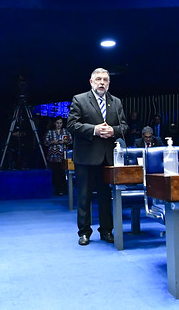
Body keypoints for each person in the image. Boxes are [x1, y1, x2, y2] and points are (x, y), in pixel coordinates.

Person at [67, 68, 128, 246]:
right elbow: (72, 125)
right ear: (91, 82)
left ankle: (106, 231)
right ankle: (84, 232)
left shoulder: (116, 102)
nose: (102, 82)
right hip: (85, 157)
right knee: (84, 197)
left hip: (107, 158)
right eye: (98, 79)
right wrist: (95, 129)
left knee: (105, 197)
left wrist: (113, 131)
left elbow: (124, 127)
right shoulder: (79, 99)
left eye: (105, 80)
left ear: (109, 83)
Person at [43, 116, 71, 196]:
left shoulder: (65, 131)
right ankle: (58, 190)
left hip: (63, 155)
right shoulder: (50, 132)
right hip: (53, 155)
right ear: (54, 123)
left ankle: (66, 189)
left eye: (60, 123)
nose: (59, 125)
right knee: (56, 173)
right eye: (57, 123)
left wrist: (64, 141)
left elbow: (70, 141)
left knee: (63, 173)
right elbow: (45, 142)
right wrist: (53, 142)